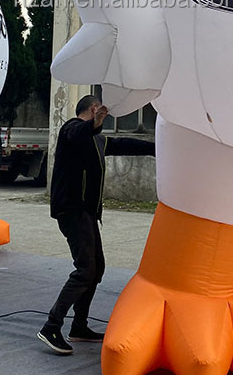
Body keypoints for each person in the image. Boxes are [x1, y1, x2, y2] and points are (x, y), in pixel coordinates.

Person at [37, 95, 155, 355]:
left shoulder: (96, 140)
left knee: (96, 267)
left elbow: (124, 143)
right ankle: (51, 325)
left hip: (86, 213)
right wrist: (95, 123)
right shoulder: (71, 129)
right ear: (93, 108)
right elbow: (77, 133)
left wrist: (159, 148)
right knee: (85, 269)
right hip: (71, 209)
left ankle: (79, 326)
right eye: (99, 109)